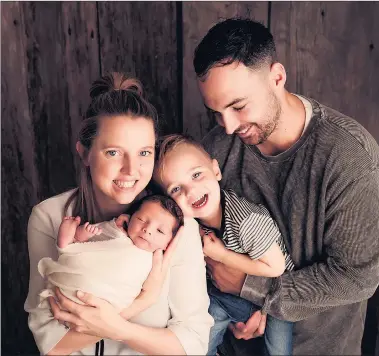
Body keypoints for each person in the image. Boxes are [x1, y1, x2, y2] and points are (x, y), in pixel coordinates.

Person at [193, 18, 379, 355]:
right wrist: (236, 301)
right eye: (216, 112)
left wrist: (258, 292)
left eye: (238, 106)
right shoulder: (214, 151)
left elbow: (356, 276)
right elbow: (194, 237)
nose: (227, 126)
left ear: (277, 77)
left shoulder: (351, 158)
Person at [24, 72, 213, 356]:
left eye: (144, 153)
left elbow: (193, 344)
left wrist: (118, 329)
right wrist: (140, 302)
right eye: (113, 153)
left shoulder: (174, 226)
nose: (131, 170)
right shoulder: (49, 218)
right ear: (85, 154)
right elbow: (51, 346)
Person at [153, 133, 295, 355]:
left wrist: (220, 254)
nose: (191, 191)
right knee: (205, 330)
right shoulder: (193, 225)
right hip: (233, 297)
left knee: (277, 349)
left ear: (216, 170)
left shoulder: (246, 221)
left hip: (277, 295)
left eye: (197, 175)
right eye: (176, 189)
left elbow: (276, 268)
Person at [38, 194, 184, 315]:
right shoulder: (118, 231)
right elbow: (93, 239)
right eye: (141, 220)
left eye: (160, 231)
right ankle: (65, 244)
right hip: (77, 278)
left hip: (108, 301)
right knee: (74, 251)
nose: (148, 230)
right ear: (129, 218)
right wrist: (84, 232)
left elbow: (148, 288)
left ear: (168, 243)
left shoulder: (156, 261)